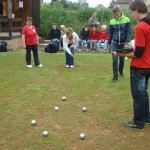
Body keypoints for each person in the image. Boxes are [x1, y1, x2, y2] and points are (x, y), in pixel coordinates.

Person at [115, 0, 150, 129]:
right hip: (148, 66)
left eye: (131, 12)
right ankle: (146, 118)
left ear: (136, 10)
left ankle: (138, 122)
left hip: (139, 67)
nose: (131, 15)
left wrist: (121, 54)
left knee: (138, 95)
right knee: (144, 93)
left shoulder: (140, 26)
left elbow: (139, 53)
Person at [108, 7, 130, 83]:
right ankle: (115, 77)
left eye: (116, 14)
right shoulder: (112, 21)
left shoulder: (127, 19)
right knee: (114, 60)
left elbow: (128, 32)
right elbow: (110, 33)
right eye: (114, 15)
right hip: (114, 43)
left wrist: (127, 42)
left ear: (120, 12)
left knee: (122, 59)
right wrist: (109, 43)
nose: (115, 16)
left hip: (123, 44)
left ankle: (120, 71)